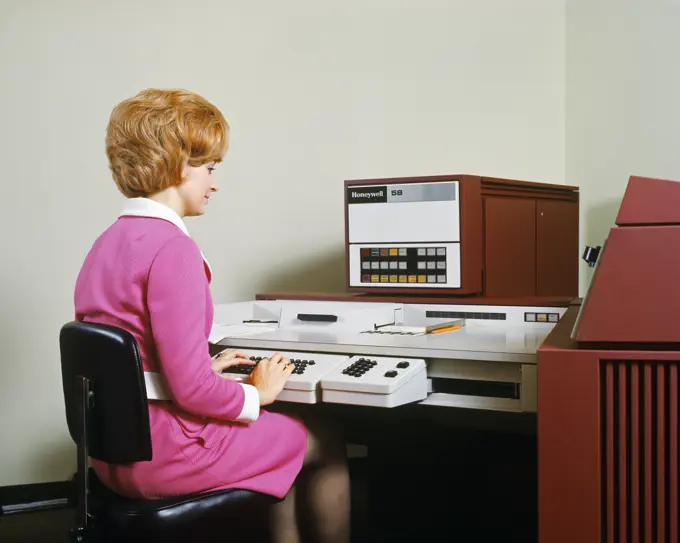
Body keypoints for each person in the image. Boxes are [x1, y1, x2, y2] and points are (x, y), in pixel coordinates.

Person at [73, 88, 350, 543]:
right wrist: (256, 395)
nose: (213, 182)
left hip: (111, 456)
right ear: (175, 163)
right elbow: (191, 391)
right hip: (165, 453)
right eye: (208, 167)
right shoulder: (173, 249)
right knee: (323, 438)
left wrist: (204, 365)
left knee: (279, 442)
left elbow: (130, 356)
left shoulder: (105, 244)